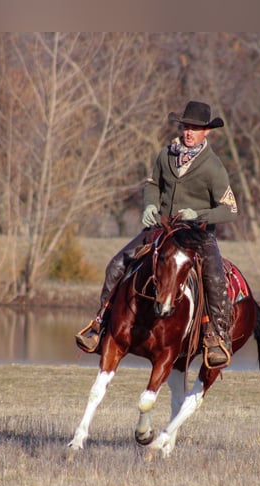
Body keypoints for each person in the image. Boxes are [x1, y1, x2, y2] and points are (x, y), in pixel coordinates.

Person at [75, 100, 238, 368]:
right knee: (116, 264)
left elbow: (230, 210)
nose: (189, 132)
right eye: (186, 126)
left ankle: (216, 338)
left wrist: (198, 216)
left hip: (197, 234)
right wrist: (150, 204)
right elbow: (153, 185)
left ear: (207, 131)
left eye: (195, 128)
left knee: (215, 278)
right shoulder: (166, 154)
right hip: (161, 228)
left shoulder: (214, 167)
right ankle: (99, 325)